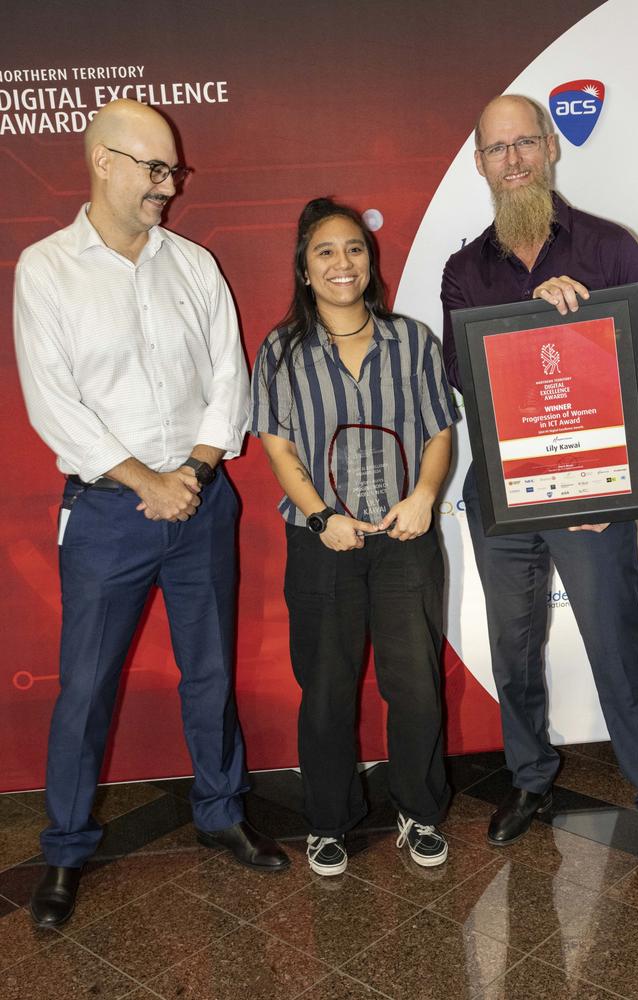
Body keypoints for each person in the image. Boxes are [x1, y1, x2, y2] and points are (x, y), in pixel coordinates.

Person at [14, 98, 289, 928]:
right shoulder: (47, 268)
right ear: (103, 162)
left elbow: (228, 378)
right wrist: (146, 480)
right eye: (155, 168)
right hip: (107, 513)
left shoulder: (193, 264)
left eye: (173, 171)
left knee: (208, 671)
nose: (168, 186)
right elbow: (53, 404)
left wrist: (195, 471)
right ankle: (64, 851)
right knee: (87, 685)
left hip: (201, 500)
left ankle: (221, 813)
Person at [441, 93, 638, 871]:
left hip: (591, 499)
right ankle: (530, 779)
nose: (515, 160)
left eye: (526, 142)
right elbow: (465, 375)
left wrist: (612, 491)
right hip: (502, 497)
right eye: (498, 149)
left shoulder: (610, 247)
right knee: (514, 648)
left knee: (619, 651)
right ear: (480, 163)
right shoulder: (465, 270)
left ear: (551, 148)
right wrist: (536, 326)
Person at [250, 197, 457, 875]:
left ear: (371, 261)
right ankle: (329, 820)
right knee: (328, 686)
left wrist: (425, 497)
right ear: (305, 270)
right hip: (322, 544)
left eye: (355, 249)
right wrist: (319, 516)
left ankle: (419, 812)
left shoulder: (414, 340)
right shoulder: (282, 350)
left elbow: (438, 432)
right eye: (325, 252)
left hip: (406, 540)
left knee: (416, 685)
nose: (343, 262)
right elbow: (277, 445)